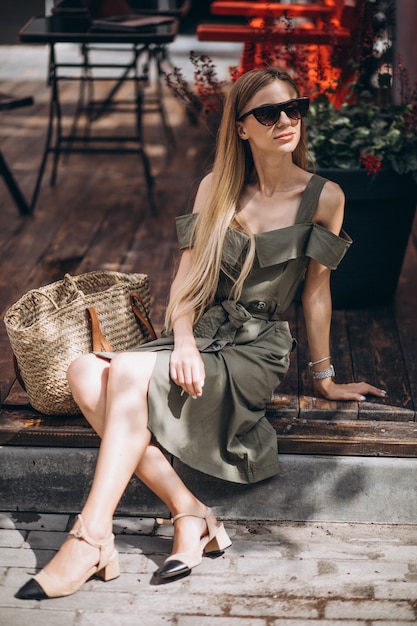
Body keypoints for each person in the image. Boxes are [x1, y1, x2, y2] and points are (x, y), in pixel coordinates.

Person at [16, 67, 387, 601]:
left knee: (120, 371)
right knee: (81, 369)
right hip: (202, 332)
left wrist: (325, 378)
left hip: (256, 348)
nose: (285, 121)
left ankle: (91, 534)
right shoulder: (215, 187)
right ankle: (189, 511)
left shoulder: (325, 197)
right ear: (241, 128)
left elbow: (316, 294)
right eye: (268, 113)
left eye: (294, 108)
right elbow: (187, 279)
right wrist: (183, 339)